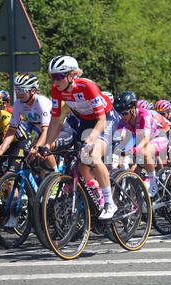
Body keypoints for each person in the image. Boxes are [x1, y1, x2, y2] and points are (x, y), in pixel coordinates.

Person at [43, 55, 120, 220]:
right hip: (85, 121)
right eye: (52, 77)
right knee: (79, 163)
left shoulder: (87, 86)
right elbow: (56, 121)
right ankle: (95, 193)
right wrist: (47, 145)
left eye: (58, 76)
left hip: (106, 118)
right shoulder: (56, 90)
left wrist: (90, 140)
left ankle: (109, 202)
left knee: (93, 154)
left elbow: (101, 120)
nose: (54, 81)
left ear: (71, 75)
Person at [0, 73, 55, 170]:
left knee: (42, 148)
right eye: (17, 90)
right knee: (29, 158)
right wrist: (2, 148)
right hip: (42, 132)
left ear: (33, 90)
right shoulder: (18, 104)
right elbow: (11, 130)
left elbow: (46, 130)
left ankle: (56, 175)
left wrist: (36, 147)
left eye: (22, 90)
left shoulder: (41, 102)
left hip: (55, 130)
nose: (19, 94)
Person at [115, 92, 169, 197]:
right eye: (120, 114)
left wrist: (136, 149)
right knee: (132, 174)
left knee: (144, 152)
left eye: (125, 113)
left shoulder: (144, 114)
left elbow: (146, 138)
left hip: (158, 137)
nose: (123, 116)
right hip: (144, 142)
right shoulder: (123, 120)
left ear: (133, 109)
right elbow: (118, 137)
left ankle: (154, 184)